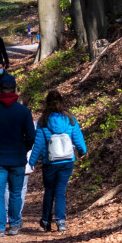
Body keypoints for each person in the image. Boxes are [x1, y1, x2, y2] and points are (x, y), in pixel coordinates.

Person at [0, 74, 36, 236]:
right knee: (15, 193)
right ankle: (15, 224)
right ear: (15, 89)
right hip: (17, 158)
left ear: (0, 89)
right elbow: (31, 136)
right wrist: (24, 149)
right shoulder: (24, 112)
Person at [28, 90, 87, 232]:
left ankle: (46, 220)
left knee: (49, 191)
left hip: (50, 161)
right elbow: (77, 137)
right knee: (60, 191)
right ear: (62, 102)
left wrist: (33, 160)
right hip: (67, 161)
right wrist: (82, 151)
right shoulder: (70, 119)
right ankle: (61, 221)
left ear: (47, 104)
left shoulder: (43, 121)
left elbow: (39, 143)